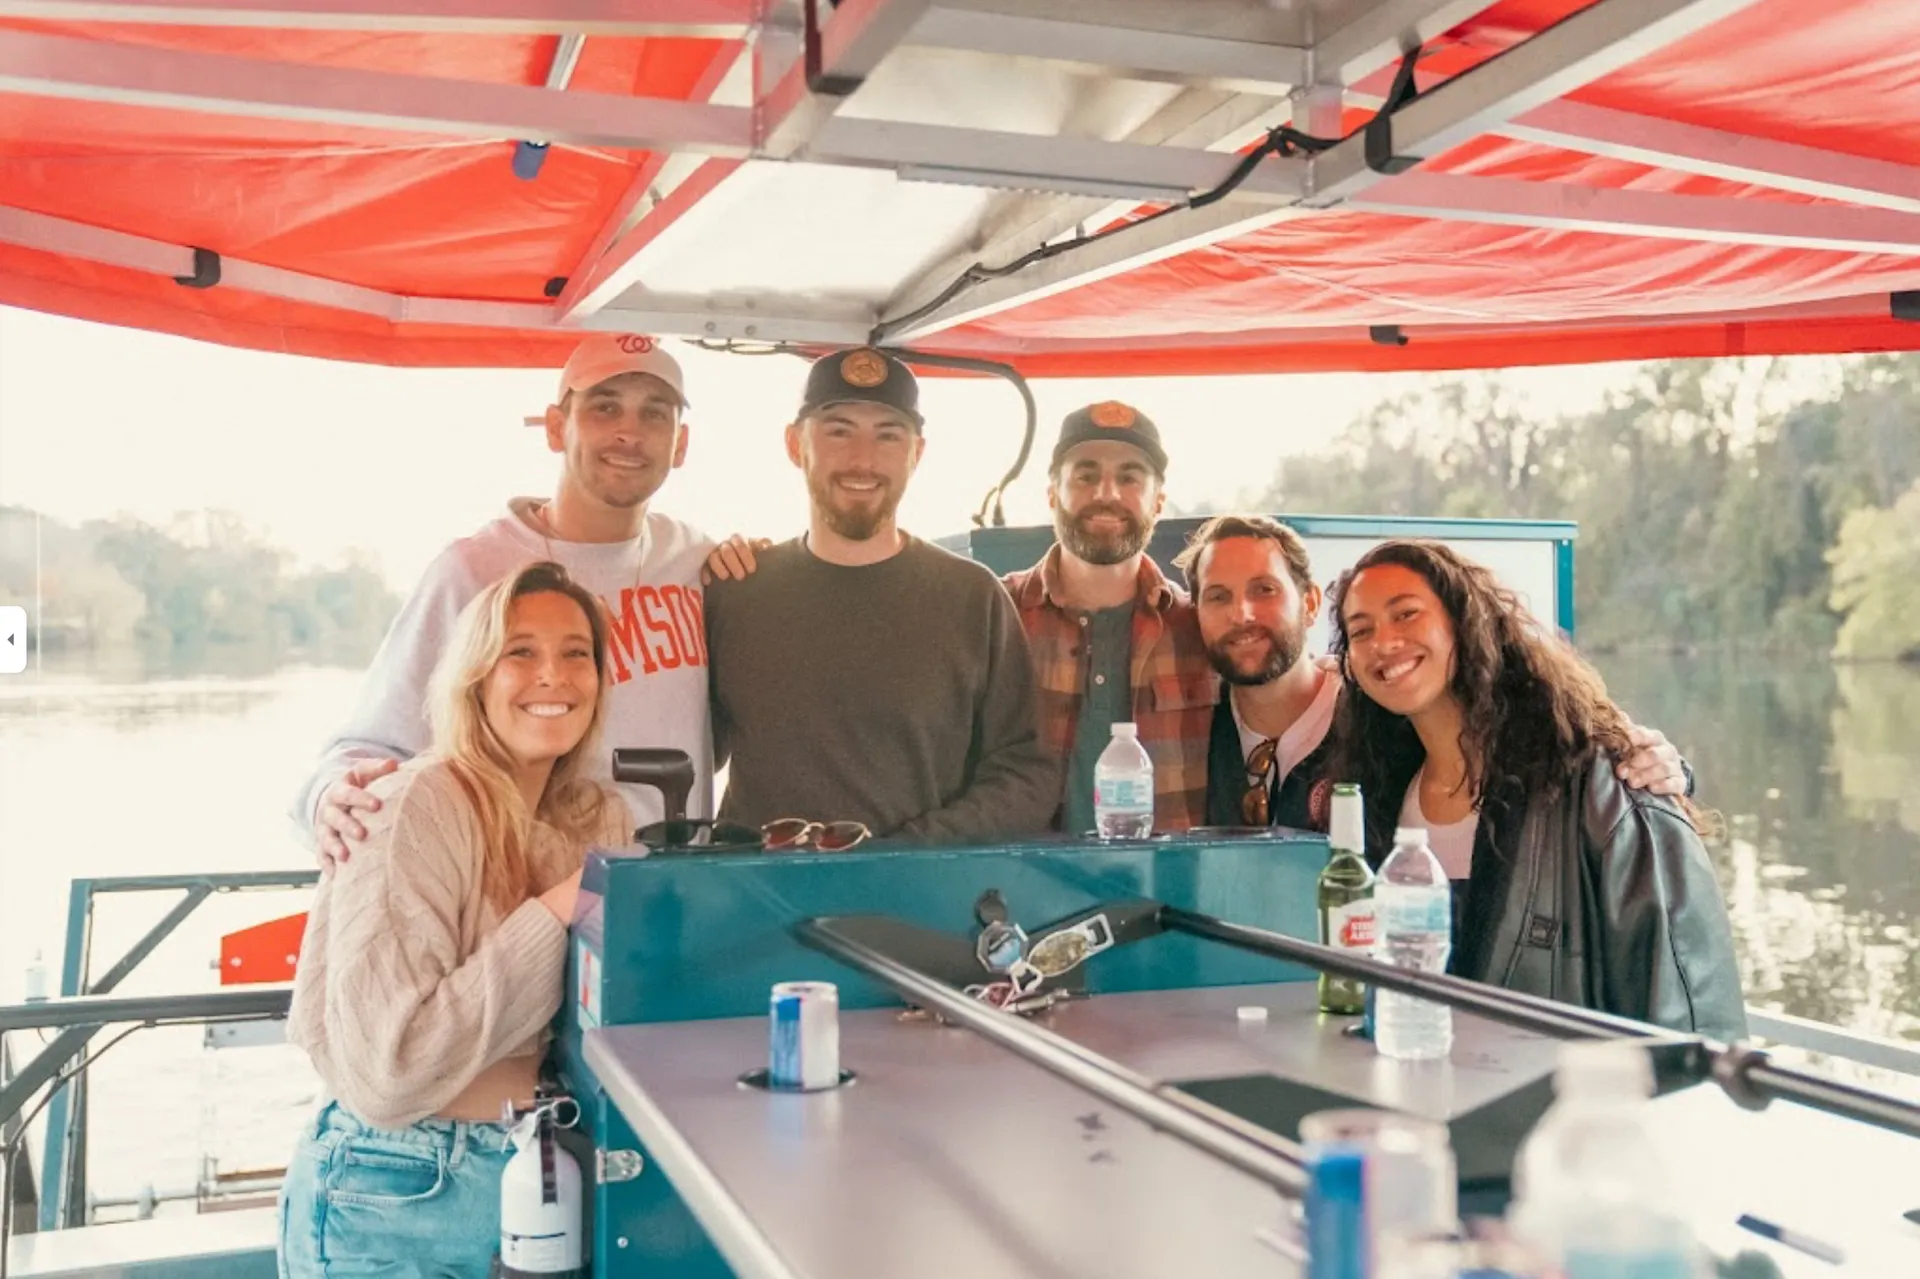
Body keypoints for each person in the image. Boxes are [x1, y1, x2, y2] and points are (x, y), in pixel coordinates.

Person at [279, 561, 630, 1277]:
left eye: (576, 653)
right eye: (521, 651)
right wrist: (564, 906)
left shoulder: (597, 819)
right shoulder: (414, 804)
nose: (553, 675)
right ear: (474, 676)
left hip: (542, 1182)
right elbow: (391, 1068)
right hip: (396, 1190)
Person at [293, 334, 714, 866]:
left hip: (673, 896)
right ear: (558, 429)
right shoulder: (475, 570)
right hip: (517, 894)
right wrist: (328, 795)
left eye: (655, 414)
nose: (629, 432)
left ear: (680, 445)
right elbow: (371, 745)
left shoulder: (700, 561)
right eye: (605, 408)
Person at [1325, 539, 1747, 1040]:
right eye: (1361, 631)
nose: (1384, 642)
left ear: (1462, 622)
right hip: (1428, 1090)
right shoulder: (1376, 792)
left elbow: (1690, 996)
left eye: (1407, 615)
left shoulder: (1598, 780)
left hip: (1565, 1101)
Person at [703, 346, 1058, 842]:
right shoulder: (734, 590)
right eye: (838, 431)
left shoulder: (973, 597)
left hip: (915, 904)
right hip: (755, 903)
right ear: (793, 445)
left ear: (917, 452)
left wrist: (909, 852)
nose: (862, 460)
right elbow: (690, 750)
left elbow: (1026, 774)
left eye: (888, 435)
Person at [1177, 516, 1698, 834]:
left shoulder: (1385, 711)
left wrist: (1659, 765)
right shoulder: (1183, 729)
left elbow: (1550, 730)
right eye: (1217, 597)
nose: (1242, 614)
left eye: (1264, 590)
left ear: (1310, 604)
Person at [1000, 402, 1219, 833]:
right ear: (1051, 496)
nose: (1106, 494)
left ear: (1158, 502)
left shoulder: (1201, 628)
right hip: (1023, 891)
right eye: (1085, 475)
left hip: (1165, 892)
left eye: (1129, 477)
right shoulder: (994, 615)